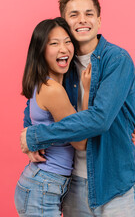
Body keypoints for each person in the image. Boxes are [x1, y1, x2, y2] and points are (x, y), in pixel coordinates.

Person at [20, 0, 135, 217]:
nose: (82, 20)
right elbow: (35, 99)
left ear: (99, 21)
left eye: (89, 13)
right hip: (73, 183)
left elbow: (100, 119)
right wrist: (30, 130)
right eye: (74, 15)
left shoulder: (117, 59)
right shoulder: (63, 61)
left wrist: (38, 136)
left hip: (114, 183)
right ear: (65, 23)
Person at [14, 17, 91, 217]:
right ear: (41, 50)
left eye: (67, 41)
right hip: (44, 185)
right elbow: (81, 141)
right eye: (54, 43)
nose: (64, 49)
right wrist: (86, 91)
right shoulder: (53, 90)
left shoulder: (42, 83)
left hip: (44, 183)